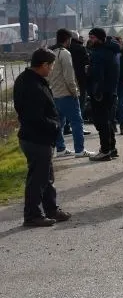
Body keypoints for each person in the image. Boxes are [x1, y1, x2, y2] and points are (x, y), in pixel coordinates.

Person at [14, 49, 71, 227]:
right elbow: (34, 117)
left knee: (46, 177)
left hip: (38, 138)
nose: (52, 69)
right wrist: (54, 125)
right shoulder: (32, 85)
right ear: (44, 65)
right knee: (38, 179)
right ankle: (32, 215)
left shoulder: (31, 80)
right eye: (51, 65)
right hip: (36, 138)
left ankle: (51, 209)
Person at [48, 28, 93, 158]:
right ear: (68, 40)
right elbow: (69, 76)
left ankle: (61, 148)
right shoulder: (65, 53)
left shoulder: (51, 53)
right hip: (67, 93)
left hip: (54, 93)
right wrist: (75, 92)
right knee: (77, 122)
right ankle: (79, 150)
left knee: (59, 123)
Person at [87, 28, 121, 161]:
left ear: (100, 38)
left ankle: (105, 150)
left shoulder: (99, 53)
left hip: (101, 93)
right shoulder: (113, 50)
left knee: (101, 122)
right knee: (109, 121)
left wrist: (96, 91)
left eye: (93, 38)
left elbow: (99, 75)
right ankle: (111, 148)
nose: (91, 40)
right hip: (111, 91)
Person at [68, 31, 91, 124]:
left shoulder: (64, 49)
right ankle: (79, 125)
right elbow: (87, 64)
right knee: (80, 104)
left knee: (68, 104)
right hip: (80, 80)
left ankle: (67, 126)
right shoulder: (81, 49)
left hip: (66, 80)